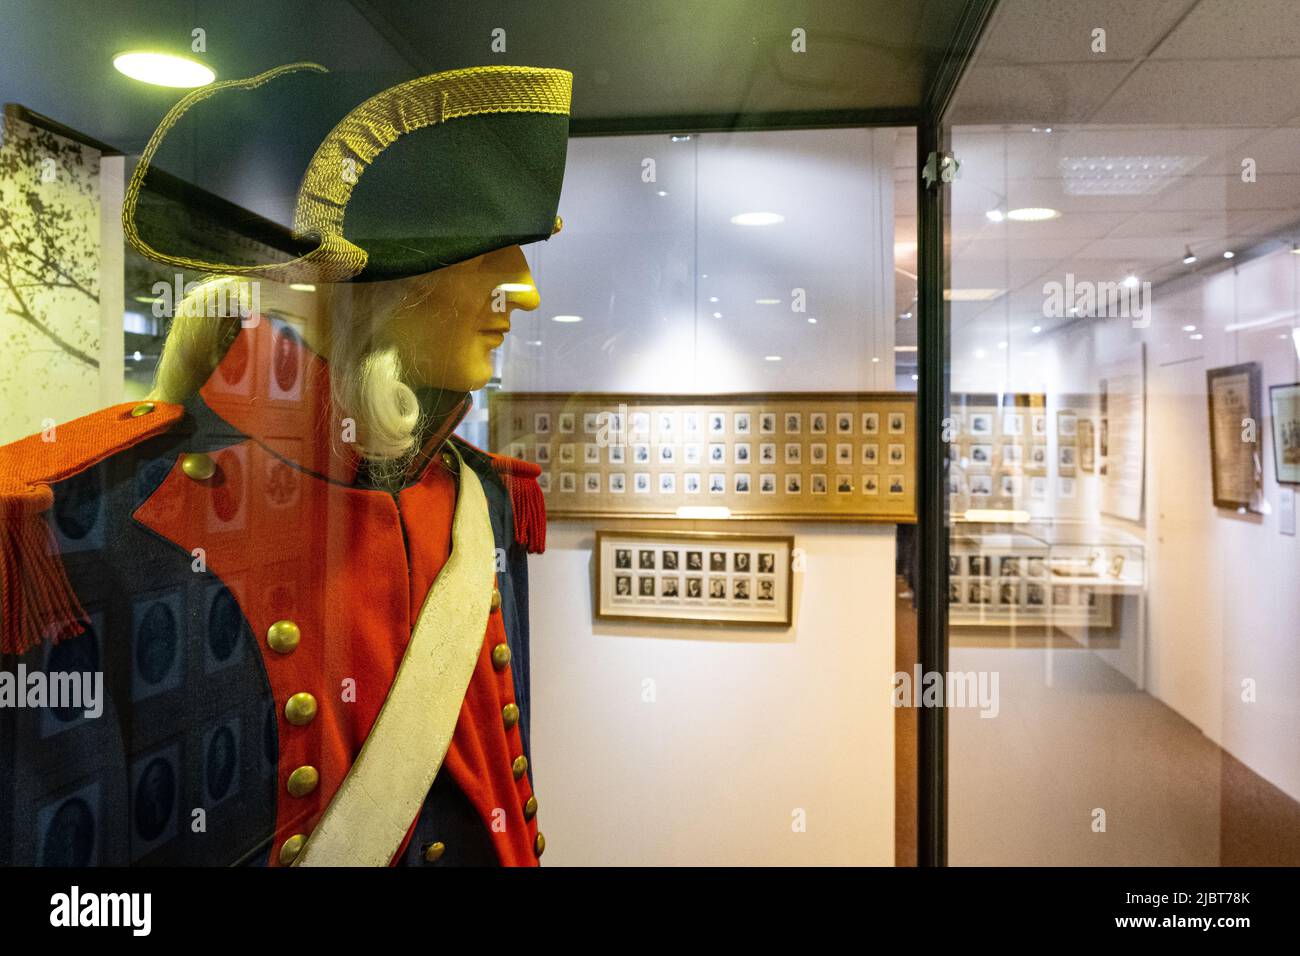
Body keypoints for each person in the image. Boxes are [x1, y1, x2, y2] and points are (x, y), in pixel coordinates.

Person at [0, 62, 572, 867]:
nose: (524, 288)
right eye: (486, 250)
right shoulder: (76, 517)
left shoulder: (486, 503)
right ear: (367, 283)